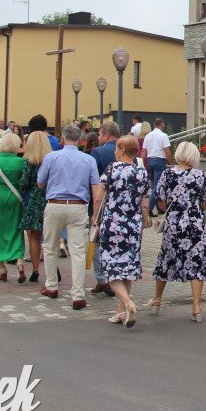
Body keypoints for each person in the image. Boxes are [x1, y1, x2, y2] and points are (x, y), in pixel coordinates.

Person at [149, 141, 206, 322]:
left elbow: (161, 202)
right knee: (197, 262)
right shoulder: (201, 175)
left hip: (174, 223)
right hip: (195, 224)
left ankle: (157, 299)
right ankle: (196, 307)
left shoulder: (167, 174)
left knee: (166, 258)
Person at [37, 124, 101, 309]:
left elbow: (40, 183)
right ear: (80, 139)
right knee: (78, 251)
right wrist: (95, 214)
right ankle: (78, 294)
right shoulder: (88, 160)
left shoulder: (51, 157)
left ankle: (51, 286)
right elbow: (96, 189)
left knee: (49, 247)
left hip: (55, 204)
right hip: (78, 206)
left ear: (62, 139)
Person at [90, 135, 150, 328]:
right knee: (128, 268)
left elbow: (99, 198)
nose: (115, 152)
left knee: (112, 268)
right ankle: (121, 312)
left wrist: (95, 218)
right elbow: (145, 205)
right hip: (133, 224)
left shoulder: (112, 169)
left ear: (122, 150)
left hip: (113, 222)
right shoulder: (142, 173)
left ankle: (129, 304)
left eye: (117, 148)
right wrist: (141, 224)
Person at [0, 132, 27, 283]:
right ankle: (20, 261)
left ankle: (2, 267)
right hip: (15, 198)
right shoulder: (21, 162)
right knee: (16, 229)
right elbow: (24, 182)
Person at [88, 122, 121, 296]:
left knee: (96, 241)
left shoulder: (98, 152)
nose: (99, 138)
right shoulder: (127, 150)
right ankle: (115, 277)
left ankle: (102, 279)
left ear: (106, 135)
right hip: (122, 207)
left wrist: (93, 210)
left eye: (100, 134)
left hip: (102, 205)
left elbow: (93, 180)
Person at [18, 131, 52, 283]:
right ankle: (53, 267)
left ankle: (35, 269)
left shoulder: (28, 162)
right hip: (50, 199)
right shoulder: (51, 160)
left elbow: (24, 184)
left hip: (34, 199)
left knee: (34, 236)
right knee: (52, 235)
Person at [144, 118, 172, 217]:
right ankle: (150, 208)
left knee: (154, 184)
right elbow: (167, 151)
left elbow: (144, 151)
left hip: (150, 160)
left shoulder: (148, 136)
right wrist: (171, 163)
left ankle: (159, 208)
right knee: (157, 185)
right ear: (161, 124)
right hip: (159, 161)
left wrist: (143, 164)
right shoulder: (163, 136)